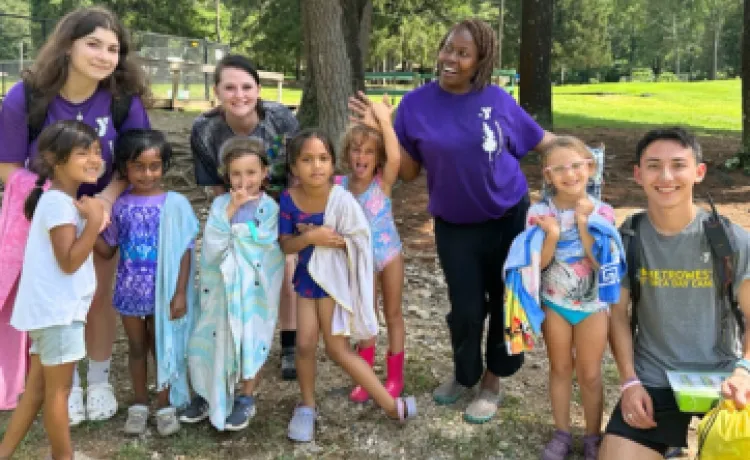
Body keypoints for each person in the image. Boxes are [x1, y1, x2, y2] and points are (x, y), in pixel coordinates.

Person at [351, 18, 555, 424]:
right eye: (447, 49)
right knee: (464, 309)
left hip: (508, 217)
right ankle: (465, 375)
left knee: (504, 302)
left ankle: (493, 381)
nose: (450, 59)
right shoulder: (415, 105)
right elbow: (408, 173)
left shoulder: (496, 100)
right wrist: (384, 129)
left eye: (462, 54)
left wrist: (576, 154)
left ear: (479, 61)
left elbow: (540, 140)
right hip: (453, 224)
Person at [0, 6, 150, 420]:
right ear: (68, 45)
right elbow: (9, 165)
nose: (104, 56)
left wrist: (104, 202)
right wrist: (58, 204)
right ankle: (55, 385)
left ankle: (98, 381)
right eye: (93, 44)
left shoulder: (123, 100)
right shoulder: (26, 96)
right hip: (44, 216)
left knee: (95, 297)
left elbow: (132, 164)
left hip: (102, 213)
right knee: (52, 302)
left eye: (113, 48)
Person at [599, 127, 750, 460]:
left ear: (699, 172)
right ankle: (669, 443)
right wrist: (629, 382)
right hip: (655, 381)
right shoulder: (627, 239)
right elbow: (617, 316)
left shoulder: (729, 238)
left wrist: (744, 371)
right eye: (653, 165)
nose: (666, 176)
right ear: (638, 175)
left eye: (678, 165)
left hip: (726, 379)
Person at [281, 129, 417, 443]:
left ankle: (389, 404)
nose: (316, 166)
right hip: (305, 282)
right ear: (294, 166)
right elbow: (286, 245)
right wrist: (311, 237)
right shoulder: (288, 199)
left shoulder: (340, 198)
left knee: (337, 348)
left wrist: (336, 240)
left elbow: (359, 237)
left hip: (333, 285)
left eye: (323, 159)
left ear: (332, 164)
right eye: (307, 159)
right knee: (303, 345)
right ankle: (307, 406)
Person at [190, 54, 300, 380]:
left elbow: (297, 171)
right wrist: (236, 220)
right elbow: (212, 185)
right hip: (235, 207)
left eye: (246, 87)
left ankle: (290, 344)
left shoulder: (281, 120)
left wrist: (285, 219)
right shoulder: (205, 130)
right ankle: (234, 336)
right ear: (217, 91)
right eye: (230, 88)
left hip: (282, 202)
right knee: (236, 269)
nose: (239, 95)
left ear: (258, 89)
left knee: (286, 267)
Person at [0, 121, 104, 460]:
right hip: (59, 314)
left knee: (37, 391)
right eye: (82, 153)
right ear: (55, 159)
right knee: (59, 391)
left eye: (97, 151)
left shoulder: (55, 199)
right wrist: (94, 221)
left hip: (48, 313)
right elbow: (69, 261)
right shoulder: (60, 203)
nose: (94, 159)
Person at [95, 129, 198, 437]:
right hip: (129, 290)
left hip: (163, 292)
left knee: (162, 346)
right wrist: (86, 232)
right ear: (124, 167)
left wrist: (180, 293)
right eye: (138, 166)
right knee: (137, 347)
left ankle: (164, 404)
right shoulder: (120, 205)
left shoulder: (175, 204)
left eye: (154, 166)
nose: (147, 173)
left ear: (164, 166)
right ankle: (140, 404)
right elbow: (108, 248)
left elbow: (185, 251)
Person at [184, 137, 284, 431]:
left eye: (251, 173)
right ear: (227, 175)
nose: (244, 181)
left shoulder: (270, 209)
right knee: (212, 336)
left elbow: (266, 247)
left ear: (265, 172)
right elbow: (213, 248)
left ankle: (246, 396)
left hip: (253, 291)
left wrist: (238, 234)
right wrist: (230, 214)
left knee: (252, 336)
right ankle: (207, 392)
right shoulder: (219, 204)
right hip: (220, 289)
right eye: (236, 174)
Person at [528, 136, 615, 460]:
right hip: (556, 304)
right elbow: (540, 264)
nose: (570, 174)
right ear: (548, 176)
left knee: (591, 373)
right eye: (559, 168)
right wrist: (551, 234)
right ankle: (562, 432)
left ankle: (593, 435)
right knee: (560, 368)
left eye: (576, 165)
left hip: (592, 306)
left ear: (590, 168)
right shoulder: (539, 211)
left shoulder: (603, 211)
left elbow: (600, 262)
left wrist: (583, 223)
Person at [337, 99, 406, 402]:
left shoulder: (383, 183)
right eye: (356, 150)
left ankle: (395, 377)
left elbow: (395, 158)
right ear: (347, 154)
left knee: (392, 313)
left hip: (389, 255)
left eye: (368, 152)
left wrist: (384, 122)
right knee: (367, 316)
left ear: (376, 157)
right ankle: (365, 379)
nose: (361, 157)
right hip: (359, 263)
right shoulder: (338, 186)